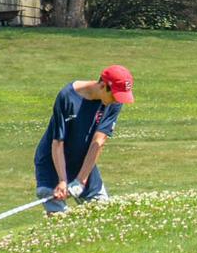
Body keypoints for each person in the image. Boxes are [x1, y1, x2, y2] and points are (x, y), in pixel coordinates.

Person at [33, 65, 134, 215]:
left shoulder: (115, 102)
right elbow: (58, 142)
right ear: (102, 85)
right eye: (114, 95)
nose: (116, 100)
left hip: (83, 161)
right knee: (59, 220)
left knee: (103, 213)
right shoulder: (67, 96)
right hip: (52, 162)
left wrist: (81, 180)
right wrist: (62, 180)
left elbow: (98, 142)